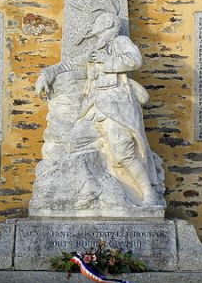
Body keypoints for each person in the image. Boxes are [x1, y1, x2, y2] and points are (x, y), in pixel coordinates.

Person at [35, 11, 160, 205]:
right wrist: (45, 74)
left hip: (115, 105)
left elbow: (135, 60)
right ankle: (93, 185)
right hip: (93, 107)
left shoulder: (119, 42)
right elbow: (68, 64)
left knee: (123, 155)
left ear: (108, 23)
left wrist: (106, 60)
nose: (93, 25)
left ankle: (148, 195)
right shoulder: (95, 48)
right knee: (72, 142)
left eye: (97, 21)